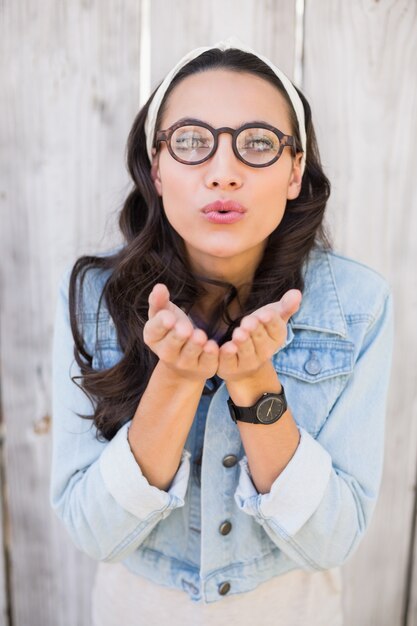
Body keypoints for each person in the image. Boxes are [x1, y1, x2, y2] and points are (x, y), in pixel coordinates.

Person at [49, 37, 394, 626]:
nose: (223, 172)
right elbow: (95, 532)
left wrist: (256, 385)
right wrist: (176, 380)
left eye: (257, 143)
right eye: (191, 142)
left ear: (294, 171)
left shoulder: (358, 305)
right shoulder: (90, 297)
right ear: (156, 168)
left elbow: (331, 541)